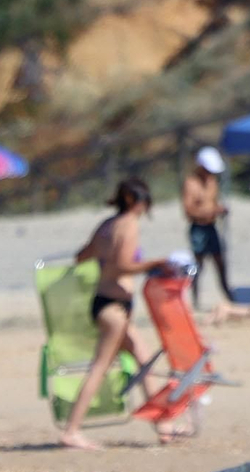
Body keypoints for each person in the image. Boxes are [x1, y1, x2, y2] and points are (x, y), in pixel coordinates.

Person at [60, 178, 172, 451]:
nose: (146, 209)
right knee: (99, 368)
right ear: (135, 202)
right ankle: (72, 431)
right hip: (114, 308)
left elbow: (81, 256)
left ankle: (164, 426)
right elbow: (123, 266)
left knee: (144, 360)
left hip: (103, 302)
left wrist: (105, 258)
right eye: (145, 203)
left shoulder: (106, 226)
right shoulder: (129, 225)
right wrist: (155, 263)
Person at [182, 147, 234, 308]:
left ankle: (229, 295)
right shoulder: (191, 184)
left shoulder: (212, 181)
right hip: (198, 228)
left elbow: (213, 202)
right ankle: (194, 298)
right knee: (197, 266)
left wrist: (219, 209)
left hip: (211, 227)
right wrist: (212, 210)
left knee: (220, 261)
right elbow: (189, 210)